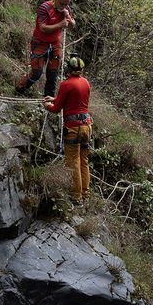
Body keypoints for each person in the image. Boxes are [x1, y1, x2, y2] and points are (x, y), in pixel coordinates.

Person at [45, 56, 92, 201]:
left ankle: (76, 196)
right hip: (87, 126)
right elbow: (74, 100)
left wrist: (48, 105)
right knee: (83, 161)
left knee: (73, 162)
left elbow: (57, 108)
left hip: (73, 128)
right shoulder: (85, 83)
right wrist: (54, 99)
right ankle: (85, 193)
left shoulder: (66, 84)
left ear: (69, 69)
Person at [15, 0, 75, 97]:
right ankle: (19, 89)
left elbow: (72, 25)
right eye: (61, 4)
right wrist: (60, 24)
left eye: (66, 4)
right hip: (40, 43)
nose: (63, 6)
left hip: (55, 44)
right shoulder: (45, 8)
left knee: (53, 74)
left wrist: (69, 20)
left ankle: (48, 101)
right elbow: (43, 28)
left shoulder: (66, 9)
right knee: (36, 73)